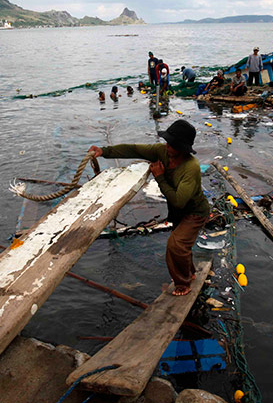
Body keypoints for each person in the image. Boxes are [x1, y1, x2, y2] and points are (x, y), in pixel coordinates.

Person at [88, 120, 210, 296]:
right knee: (182, 245)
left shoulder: (190, 167)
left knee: (176, 245)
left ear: (182, 148)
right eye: (167, 141)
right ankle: (189, 274)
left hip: (194, 213)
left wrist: (159, 177)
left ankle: (183, 284)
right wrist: (104, 151)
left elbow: (178, 201)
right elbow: (135, 149)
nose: (167, 145)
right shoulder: (162, 152)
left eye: (172, 144)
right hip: (179, 212)